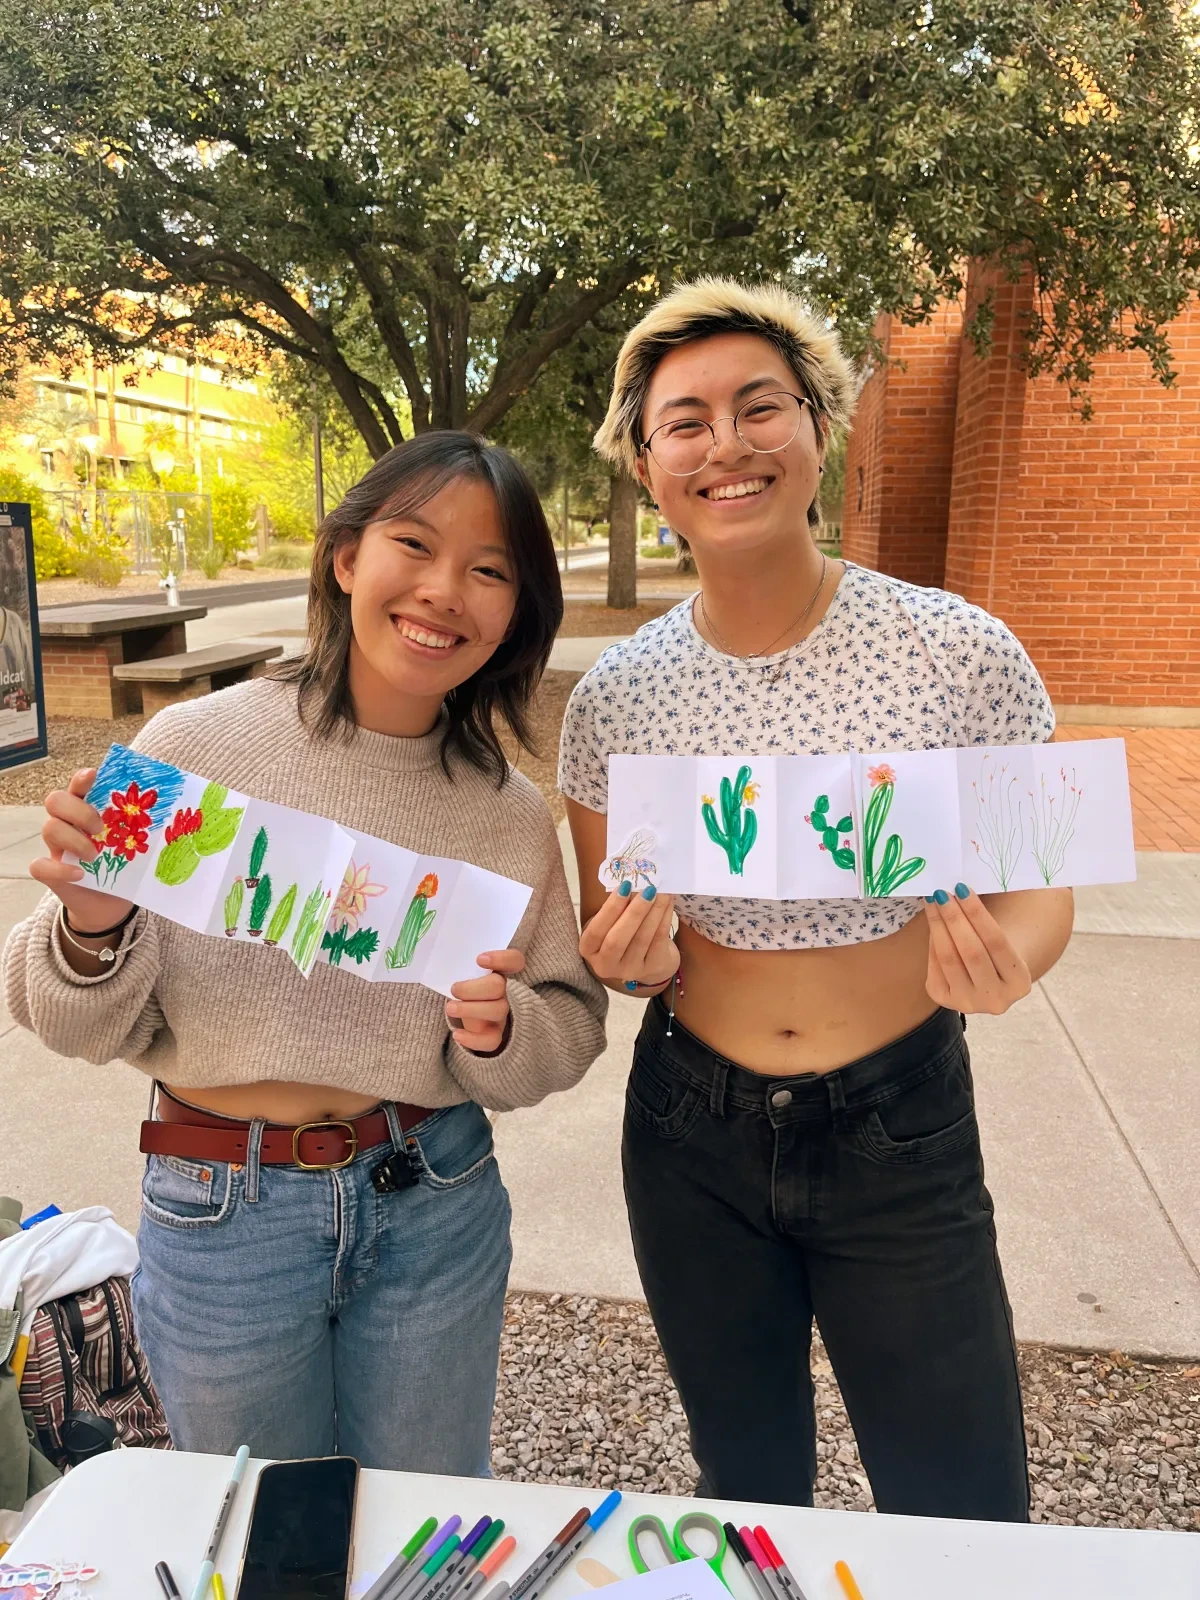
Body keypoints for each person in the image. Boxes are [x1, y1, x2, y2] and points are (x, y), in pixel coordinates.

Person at [559, 278, 1073, 1520]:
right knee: (745, 1493)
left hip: (898, 1119)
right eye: (684, 421)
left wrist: (1012, 958)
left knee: (961, 1498)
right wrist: (625, 959)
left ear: (819, 427)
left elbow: (1039, 890)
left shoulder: (958, 649)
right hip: (689, 1130)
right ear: (643, 462)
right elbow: (619, 939)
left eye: (759, 407)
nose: (725, 446)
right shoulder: (614, 698)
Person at [4, 431, 607, 1471]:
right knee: (258, 1526)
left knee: (415, 1526)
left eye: (489, 570)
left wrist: (505, 1030)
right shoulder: (193, 748)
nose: (442, 591)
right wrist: (91, 929)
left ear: (517, 609)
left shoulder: (507, 814)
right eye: (412, 545)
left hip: (435, 1198)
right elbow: (64, 1016)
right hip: (217, 1206)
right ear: (344, 558)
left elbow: (570, 1022)